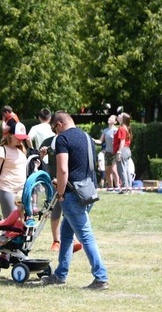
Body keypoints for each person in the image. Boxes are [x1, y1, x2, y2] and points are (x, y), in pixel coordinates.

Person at [41, 111, 109, 290]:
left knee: (86, 236)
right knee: (65, 233)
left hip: (72, 194)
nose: (56, 134)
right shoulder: (86, 136)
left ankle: (101, 277)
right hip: (88, 192)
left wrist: (61, 192)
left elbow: (63, 170)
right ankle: (60, 274)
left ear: (59, 125)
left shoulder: (63, 139)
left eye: (55, 130)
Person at [0, 122, 29, 219]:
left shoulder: (21, 150)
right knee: (11, 221)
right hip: (7, 189)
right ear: (10, 135)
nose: (21, 139)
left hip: (21, 190)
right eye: (18, 137)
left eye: (22, 137)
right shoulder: (2, 150)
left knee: (23, 221)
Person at [94, 115, 119, 190]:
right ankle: (111, 187)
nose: (109, 118)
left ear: (115, 121)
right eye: (109, 117)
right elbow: (100, 141)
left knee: (114, 170)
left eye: (111, 118)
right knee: (107, 171)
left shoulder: (116, 130)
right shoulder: (105, 131)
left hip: (114, 153)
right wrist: (93, 140)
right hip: (107, 153)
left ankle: (117, 186)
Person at [114, 113, 133, 193]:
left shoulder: (121, 128)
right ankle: (129, 188)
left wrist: (119, 151)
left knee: (122, 170)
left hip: (123, 150)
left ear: (123, 119)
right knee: (127, 170)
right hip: (127, 150)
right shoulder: (127, 128)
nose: (118, 116)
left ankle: (125, 188)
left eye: (120, 115)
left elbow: (122, 141)